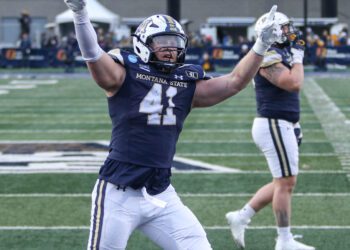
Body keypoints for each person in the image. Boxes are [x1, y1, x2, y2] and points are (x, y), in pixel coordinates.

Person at [63, 0, 281, 249]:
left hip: (160, 190)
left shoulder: (185, 83)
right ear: (144, 44)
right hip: (119, 191)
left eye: (175, 43)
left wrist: (261, 45)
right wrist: (80, 13)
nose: (170, 49)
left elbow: (234, 82)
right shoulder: (123, 74)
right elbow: (92, 54)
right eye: (162, 42)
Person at [225, 11, 315, 250]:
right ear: (272, 32)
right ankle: (284, 241)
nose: (289, 32)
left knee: (282, 182)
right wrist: (298, 58)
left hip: (283, 123)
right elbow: (293, 83)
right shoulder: (268, 54)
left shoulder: (280, 51)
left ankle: (241, 216)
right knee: (286, 183)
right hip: (273, 123)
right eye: (284, 28)